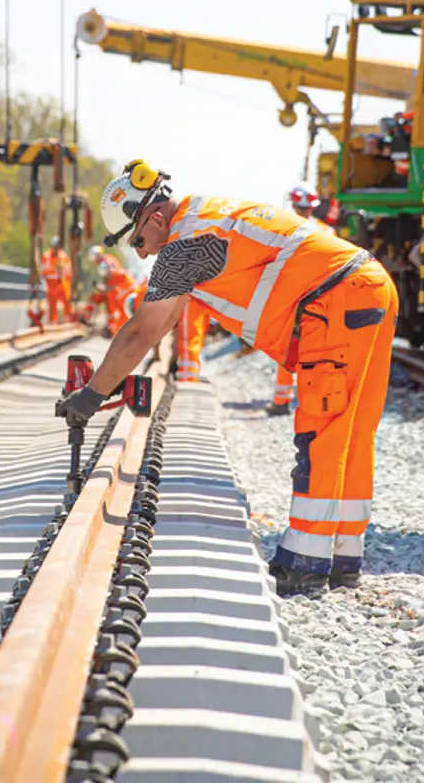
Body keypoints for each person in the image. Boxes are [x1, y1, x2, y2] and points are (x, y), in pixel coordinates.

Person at [61, 159, 397, 597]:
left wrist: (91, 395)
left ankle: (307, 561)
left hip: (336, 300)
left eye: (138, 240)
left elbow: (142, 331)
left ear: (156, 217)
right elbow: (160, 323)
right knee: (353, 428)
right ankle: (346, 553)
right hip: (370, 288)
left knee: (324, 429)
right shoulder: (208, 218)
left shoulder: (183, 247)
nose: (142, 253)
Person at [269, 185, 329, 415]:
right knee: (318, 350)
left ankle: (282, 400)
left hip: (294, 299)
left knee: (289, 349)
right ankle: (313, 401)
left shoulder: (285, 229)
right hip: (322, 297)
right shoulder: (326, 231)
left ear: (293, 205)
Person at [38, 236, 74, 323]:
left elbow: (68, 270)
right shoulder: (46, 256)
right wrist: (53, 269)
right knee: (52, 305)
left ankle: (69, 320)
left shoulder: (63, 256)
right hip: (51, 283)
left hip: (62, 282)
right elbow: (42, 271)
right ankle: (52, 322)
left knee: (67, 302)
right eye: (54, 247)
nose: (56, 249)